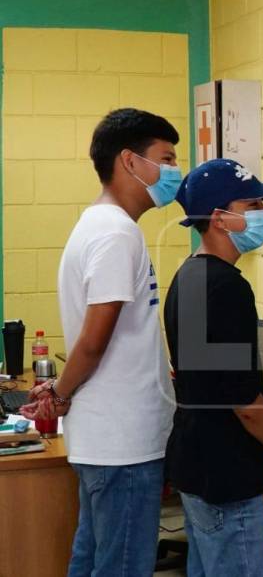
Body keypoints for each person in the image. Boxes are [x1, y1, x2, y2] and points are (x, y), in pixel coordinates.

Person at [22, 108, 182, 577]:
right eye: (166, 159)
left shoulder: (100, 225)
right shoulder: (116, 232)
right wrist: (59, 393)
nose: (174, 172)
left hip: (109, 439)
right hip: (124, 444)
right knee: (124, 565)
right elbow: (95, 339)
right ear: (130, 162)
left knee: (93, 559)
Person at [163, 158, 263, 577]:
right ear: (220, 218)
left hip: (200, 465)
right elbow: (244, 402)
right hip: (225, 474)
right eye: (252, 203)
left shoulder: (188, 276)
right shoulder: (226, 287)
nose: (262, 213)